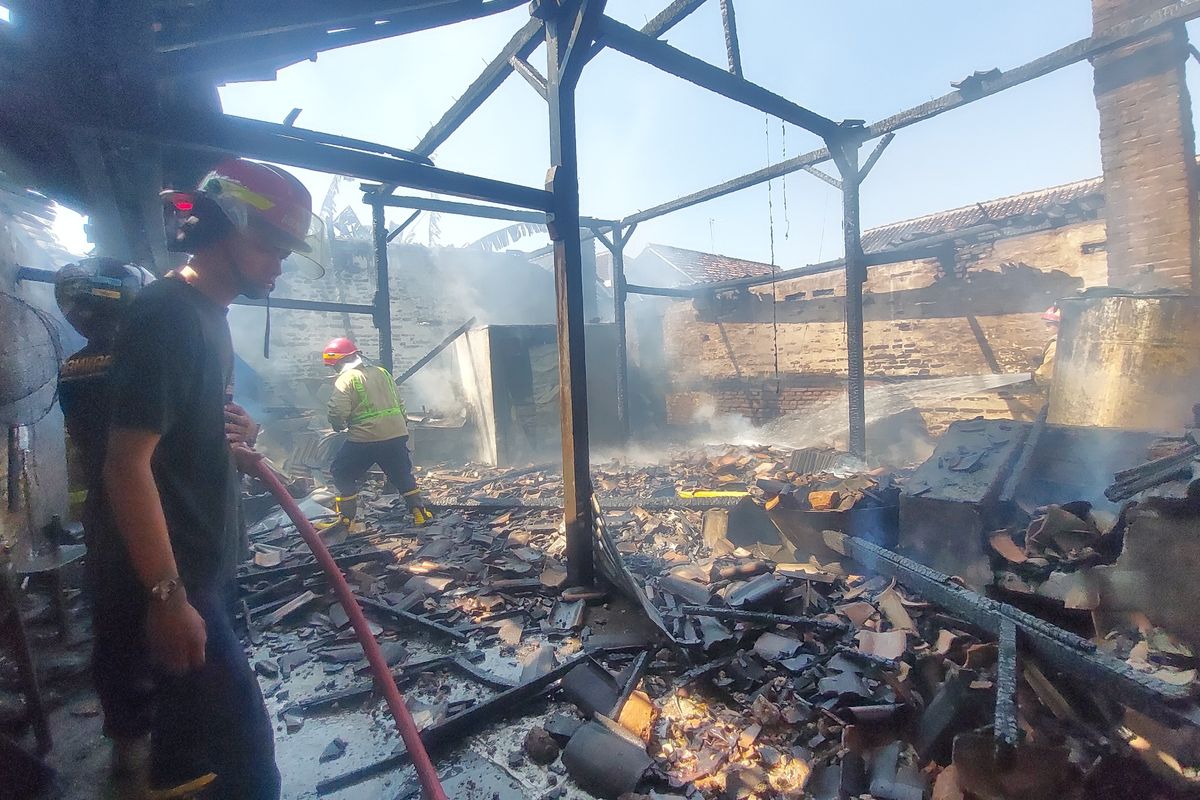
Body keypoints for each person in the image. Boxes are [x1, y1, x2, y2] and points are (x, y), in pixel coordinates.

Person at [98, 157, 323, 798]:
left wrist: (234, 438)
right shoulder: (166, 315)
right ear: (220, 228)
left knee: (190, 758)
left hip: (205, 570)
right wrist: (168, 600)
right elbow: (126, 462)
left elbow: (181, 431)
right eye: (271, 245)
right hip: (179, 579)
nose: (280, 262)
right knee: (247, 768)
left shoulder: (212, 318)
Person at [55, 258, 160, 778]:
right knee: (168, 608)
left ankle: (130, 738)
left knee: (117, 623)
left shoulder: (73, 367)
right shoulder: (145, 360)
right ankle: (166, 733)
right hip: (157, 505)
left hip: (106, 513)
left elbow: (84, 451)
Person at [321, 336, 432, 529]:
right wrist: (400, 425)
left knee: (341, 472)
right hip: (396, 434)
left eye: (333, 365)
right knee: (400, 473)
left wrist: (338, 425)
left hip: (366, 437)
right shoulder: (383, 373)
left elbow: (337, 410)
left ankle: (346, 520)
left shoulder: (346, 379)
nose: (334, 369)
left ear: (338, 362)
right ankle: (419, 513)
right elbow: (399, 402)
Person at [1033, 304, 1060, 388]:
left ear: (1060, 325)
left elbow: (1045, 376)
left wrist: (1035, 378)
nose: (1046, 329)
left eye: (1049, 326)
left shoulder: (1055, 346)